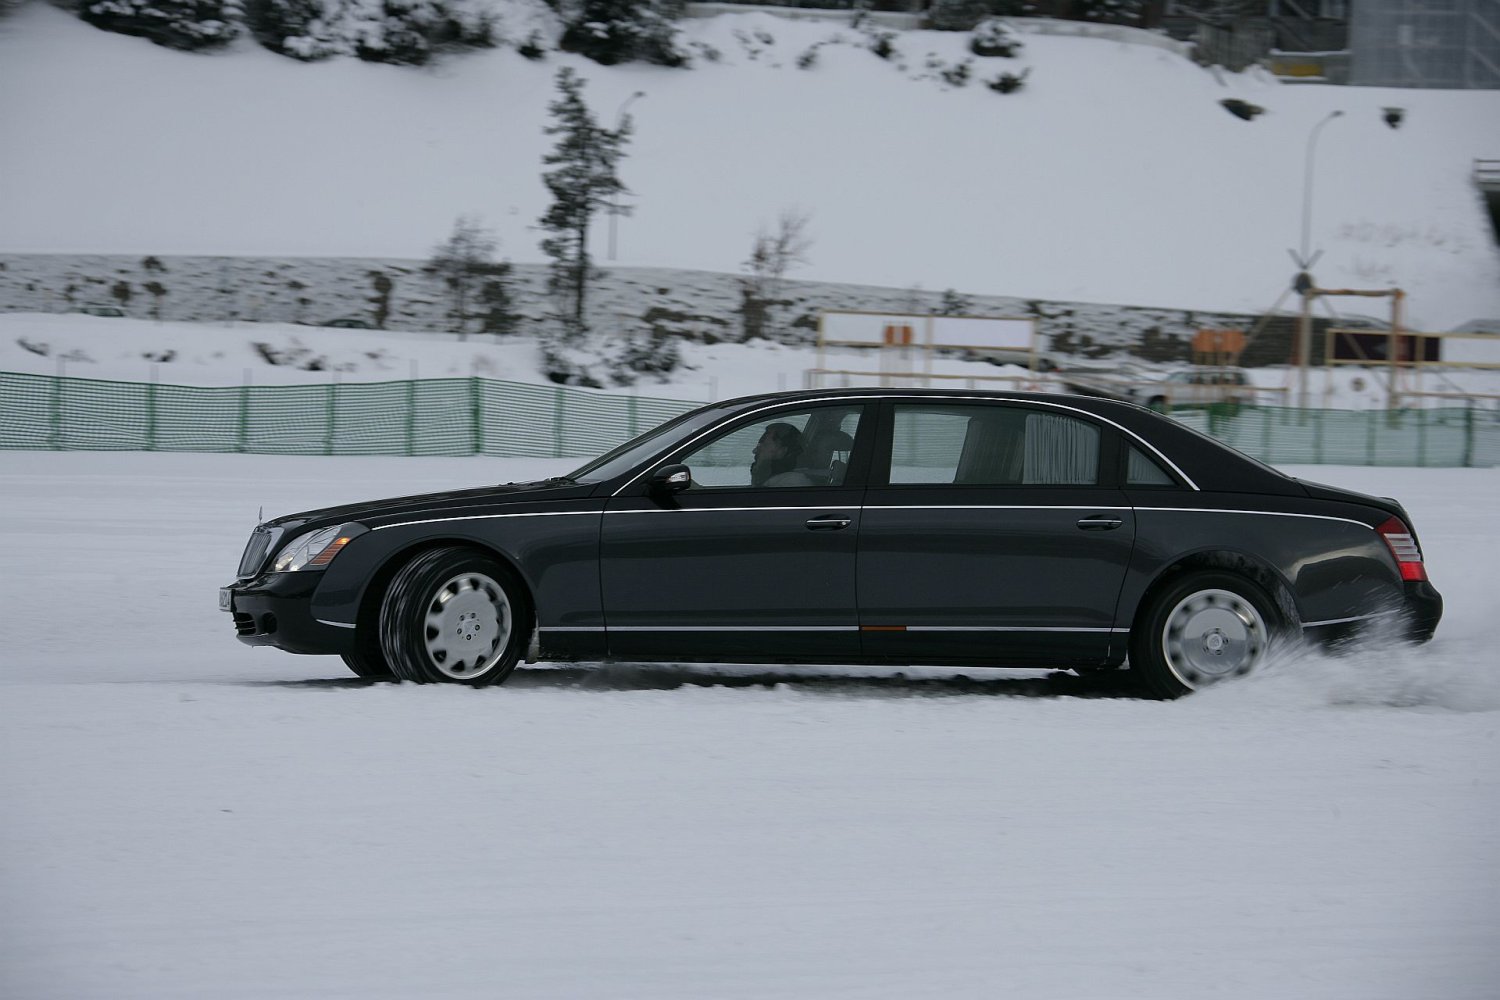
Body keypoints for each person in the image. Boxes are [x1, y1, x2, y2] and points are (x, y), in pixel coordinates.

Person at [750, 422, 801, 486]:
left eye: (765, 445)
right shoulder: (771, 480)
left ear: (782, 451)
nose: (754, 451)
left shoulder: (791, 483)